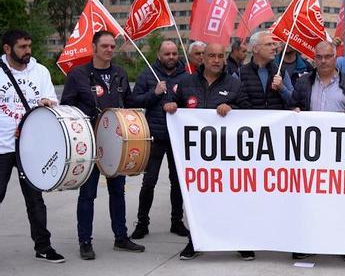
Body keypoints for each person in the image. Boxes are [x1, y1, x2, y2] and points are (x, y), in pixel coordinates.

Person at [61, 30, 144, 260]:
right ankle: (85, 242)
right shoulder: (78, 75)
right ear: (94, 48)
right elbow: (67, 107)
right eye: (105, 46)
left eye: (112, 46)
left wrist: (154, 95)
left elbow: (130, 102)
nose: (109, 50)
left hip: (116, 144)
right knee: (87, 195)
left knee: (118, 192)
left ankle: (121, 237)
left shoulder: (119, 73)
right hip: (89, 144)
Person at [167, 43, 248, 261]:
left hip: (226, 155)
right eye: (211, 55)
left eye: (220, 56)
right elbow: (173, 104)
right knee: (197, 201)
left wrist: (233, 109)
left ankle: (240, 241)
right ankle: (195, 241)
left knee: (231, 199)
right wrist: (171, 106)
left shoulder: (234, 84)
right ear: (202, 58)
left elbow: (248, 112)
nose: (215, 60)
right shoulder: (186, 82)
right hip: (195, 157)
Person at [292, 40, 345, 262]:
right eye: (319, 57)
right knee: (309, 201)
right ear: (313, 59)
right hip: (310, 154)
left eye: (327, 56)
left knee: (343, 201)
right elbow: (291, 108)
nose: (323, 61)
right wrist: (294, 111)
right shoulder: (303, 84)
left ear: (336, 57)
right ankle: (306, 242)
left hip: (341, 155)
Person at [0, 29, 65, 263]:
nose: (28, 51)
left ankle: (43, 247)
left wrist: (48, 103)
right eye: (22, 47)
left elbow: (51, 102)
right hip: (2, 147)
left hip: (30, 147)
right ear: (7, 49)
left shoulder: (40, 71)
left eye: (29, 46)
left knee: (35, 199)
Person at [129, 40, 189, 240]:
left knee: (177, 181)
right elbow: (133, 101)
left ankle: (176, 221)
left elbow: (192, 101)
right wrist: (154, 94)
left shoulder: (186, 75)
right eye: (167, 54)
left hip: (177, 136)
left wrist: (177, 104)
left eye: (174, 53)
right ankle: (142, 223)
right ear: (159, 55)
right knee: (149, 181)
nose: (171, 57)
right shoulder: (148, 74)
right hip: (154, 135)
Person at [238, 31, 294, 110]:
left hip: (276, 121)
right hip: (250, 121)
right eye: (268, 44)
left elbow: (294, 101)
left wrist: (281, 88)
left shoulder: (281, 71)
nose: (274, 47)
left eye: (274, 44)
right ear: (255, 49)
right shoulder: (240, 73)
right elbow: (233, 102)